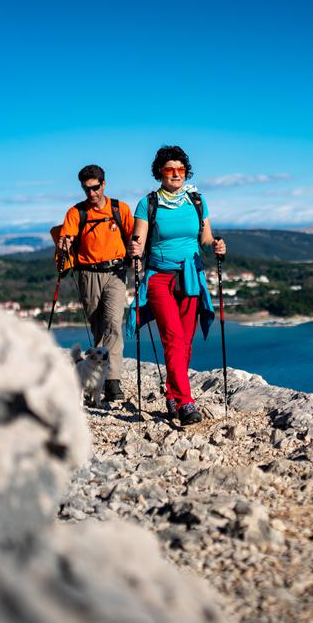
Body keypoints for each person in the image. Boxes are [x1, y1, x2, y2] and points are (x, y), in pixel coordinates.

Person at [128, 145, 226, 425]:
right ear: (159, 172)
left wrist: (216, 246)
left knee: (185, 344)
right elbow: (139, 242)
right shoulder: (148, 204)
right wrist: (134, 255)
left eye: (180, 169)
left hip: (191, 277)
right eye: (169, 169)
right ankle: (185, 403)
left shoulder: (196, 200)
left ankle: (172, 394)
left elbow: (205, 240)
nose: (175, 174)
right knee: (172, 338)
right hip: (160, 277)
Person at [58, 164, 134, 403]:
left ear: (104, 184)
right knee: (98, 326)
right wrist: (65, 244)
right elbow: (67, 235)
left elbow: (132, 235)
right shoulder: (76, 212)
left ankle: (112, 381)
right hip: (88, 274)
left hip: (116, 273)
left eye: (95, 188)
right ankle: (94, 380)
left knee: (113, 324)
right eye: (86, 189)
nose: (91, 194)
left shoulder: (120, 209)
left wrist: (137, 255)